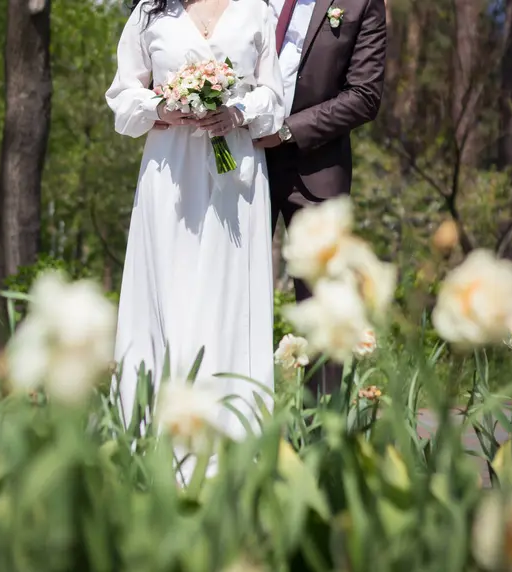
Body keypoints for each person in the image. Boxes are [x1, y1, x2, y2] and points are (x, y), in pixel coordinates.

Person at [106, 0, 285, 450]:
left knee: (228, 292)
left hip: (235, 172)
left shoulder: (254, 10)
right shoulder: (150, 12)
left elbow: (274, 96)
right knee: (170, 287)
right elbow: (122, 98)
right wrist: (162, 107)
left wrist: (238, 111)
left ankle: (232, 437)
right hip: (170, 172)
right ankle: (153, 434)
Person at [255, 0, 387, 396]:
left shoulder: (360, 4)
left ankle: (320, 441)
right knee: (232, 290)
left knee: (324, 311)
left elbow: (365, 95)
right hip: (242, 163)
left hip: (316, 170)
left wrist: (288, 131)